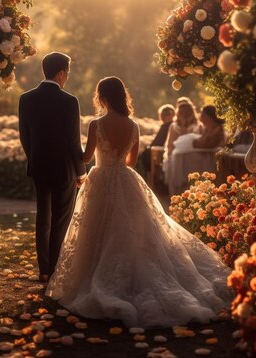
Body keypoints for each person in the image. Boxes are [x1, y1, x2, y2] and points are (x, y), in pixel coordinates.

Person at [46, 77, 230, 328]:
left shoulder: (96, 124)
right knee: (135, 231)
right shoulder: (133, 125)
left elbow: (86, 156)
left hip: (100, 179)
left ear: (102, 97)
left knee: (98, 230)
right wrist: (116, 163)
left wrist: (70, 145)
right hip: (126, 178)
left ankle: (101, 275)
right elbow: (131, 161)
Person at [18, 52, 86, 283]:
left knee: (43, 218)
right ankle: (56, 268)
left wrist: (34, 158)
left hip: (38, 166)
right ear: (61, 73)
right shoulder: (69, 101)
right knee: (60, 219)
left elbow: (24, 137)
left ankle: (44, 270)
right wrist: (81, 171)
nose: (67, 77)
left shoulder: (26, 99)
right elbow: (73, 141)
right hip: (64, 168)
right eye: (67, 73)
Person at [141, 104, 175, 175]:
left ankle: (149, 178)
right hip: (166, 150)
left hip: (161, 152)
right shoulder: (173, 125)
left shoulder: (166, 126)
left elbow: (157, 142)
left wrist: (148, 148)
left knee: (145, 154)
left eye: (163, 115)